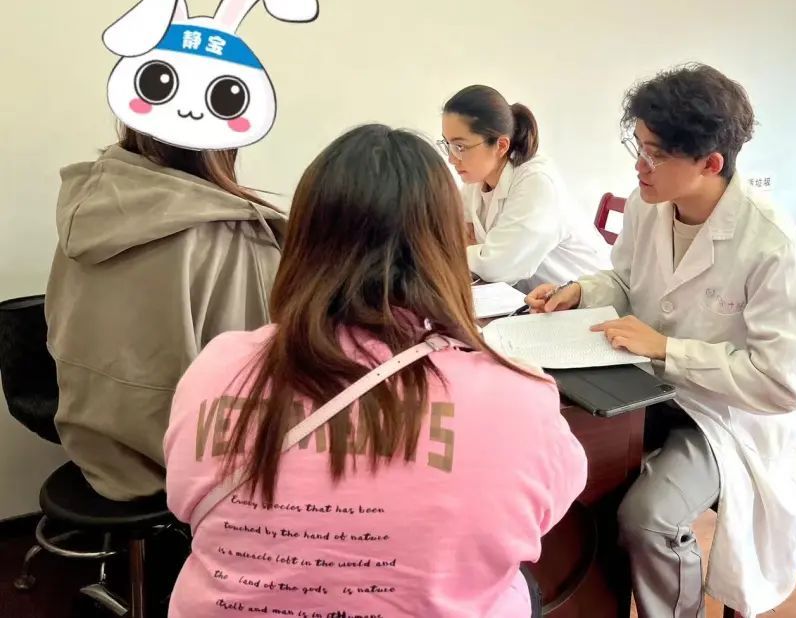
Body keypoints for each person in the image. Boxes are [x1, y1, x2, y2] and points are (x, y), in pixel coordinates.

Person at [164, 124, 587, 618]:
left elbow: (185, 503)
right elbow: (545, 512)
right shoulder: (517, 397)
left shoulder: (217, 369)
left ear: (303, 240)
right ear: (443, 246)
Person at [526, 64, 796, 617]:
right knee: (570, 458)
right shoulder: (649, 206)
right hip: (650, 388)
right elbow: (625, 281)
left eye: (654, 154)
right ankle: (592, 602)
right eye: (638, 146)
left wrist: (666, 348)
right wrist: (581, 290)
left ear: (710, 163)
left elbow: (779, 385)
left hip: (731, 416)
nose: (638, 165)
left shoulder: (771, 245)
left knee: (648, 518)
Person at [45, 125, 285, 501]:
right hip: (192, 473)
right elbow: (256, 391)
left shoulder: (89, 208)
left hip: (92, 450)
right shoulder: (236, 235)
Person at [440, 85, 609, 289]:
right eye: (448, 145)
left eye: (460, 147)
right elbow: (451, 234)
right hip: (528, 298)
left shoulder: (537, 181)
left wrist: (479, 252)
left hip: (586, 300)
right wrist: (480, 252)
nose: (451, 159)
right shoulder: (476, 179)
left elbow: (498, 268)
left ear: (501, 146)